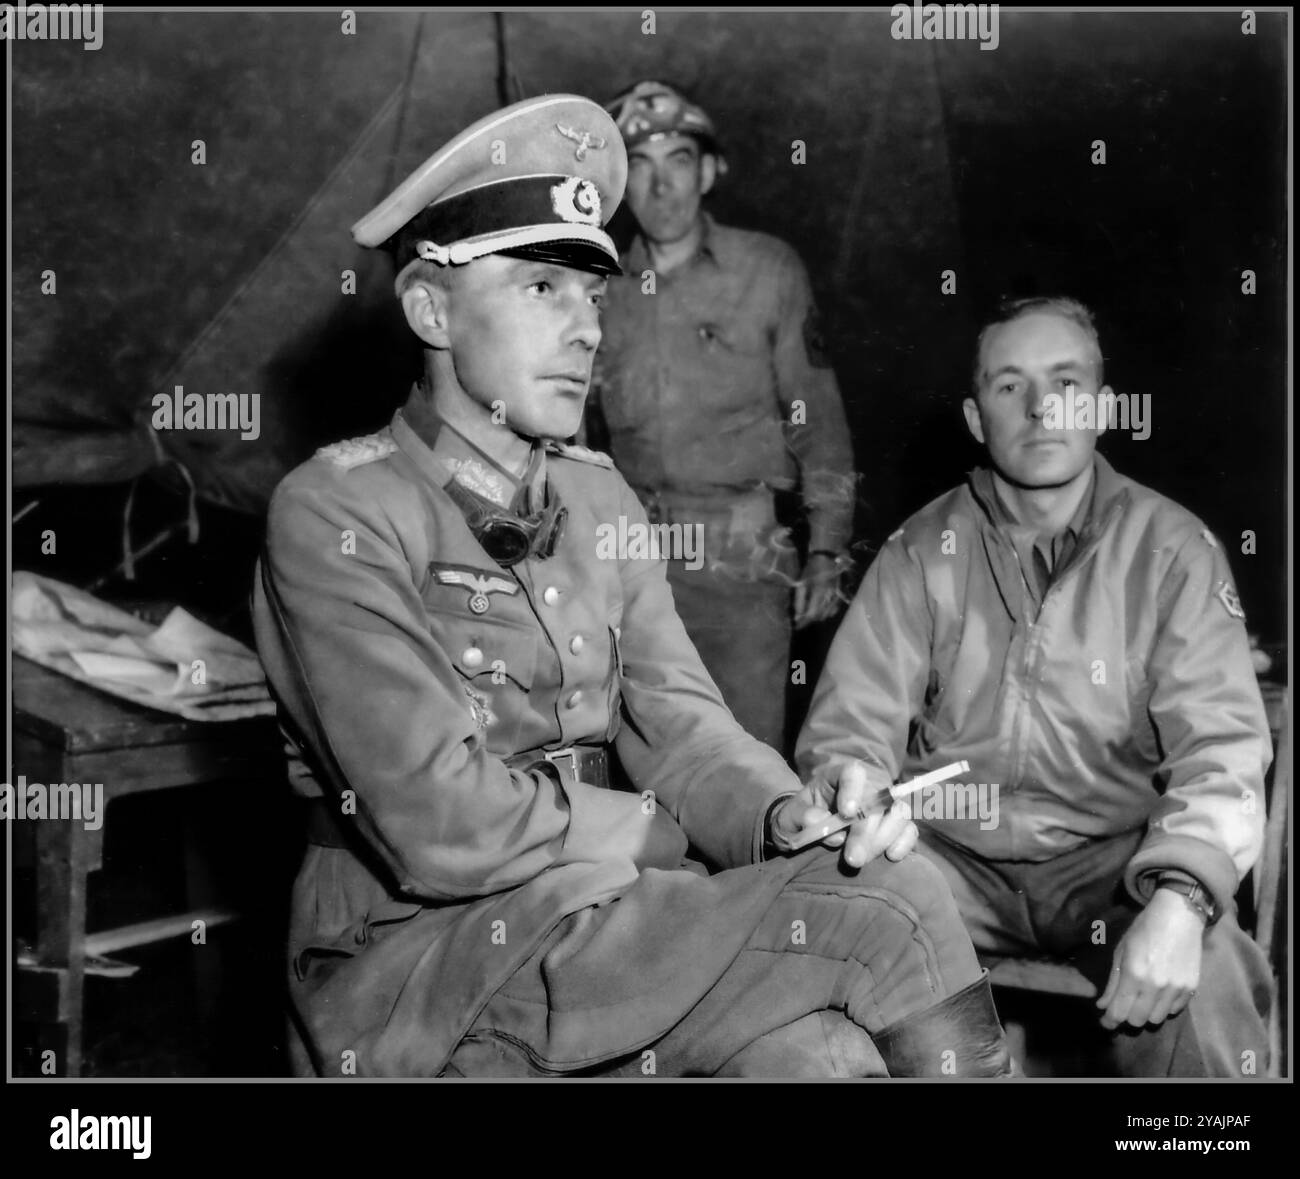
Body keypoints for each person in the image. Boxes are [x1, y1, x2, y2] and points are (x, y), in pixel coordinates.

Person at [250, 94, 1013, 1078]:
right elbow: (440, 827)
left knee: (821, 1055)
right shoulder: (336, 512)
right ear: (431, 309)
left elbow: (683, 727)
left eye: (593, 297)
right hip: (420, 963)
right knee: (899, 907)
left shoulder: (595, 496)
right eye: (540, 289)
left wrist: (789, 814)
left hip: (595, 916)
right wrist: (657, 829)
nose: (585, 333)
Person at [796, 295, 1275, 1076]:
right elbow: (850, 726)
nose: (1043, 407)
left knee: (1210, 976)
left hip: (1112, 864)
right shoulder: (921, 550)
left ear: (1105, 407)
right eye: (1010, 385)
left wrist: (1183, 896)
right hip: (946, 857)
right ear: (977, 417)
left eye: (1067, 381)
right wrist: (852, 783)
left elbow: (1221, 747)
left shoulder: (1174, 550)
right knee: (813, 958)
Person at [582, 80, 857, 750]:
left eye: (678, 160)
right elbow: (575, 433)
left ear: (708, 171)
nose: (661, 185)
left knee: (743, 764)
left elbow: (815, 416)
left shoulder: (766, 270)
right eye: (639, 166)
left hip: (742, 560)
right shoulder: (596, 286)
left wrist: (826, 546)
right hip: (630, 558)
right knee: (641, 764)